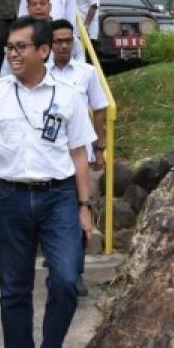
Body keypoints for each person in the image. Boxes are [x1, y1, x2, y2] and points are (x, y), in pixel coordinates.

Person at [0, 17, 95, 348]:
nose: (12, 53)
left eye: (20, 47)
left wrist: (84, 206)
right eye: (9, 47)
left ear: (43, 51)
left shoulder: (69, 94)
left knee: (66, 279)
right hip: (9, 196)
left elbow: (79, 155)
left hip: (58, 196)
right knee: (14, 287)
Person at [47, 19, 110, 297]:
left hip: (77, 154)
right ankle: (55, 267)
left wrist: (100, 147)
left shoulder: (86, 73)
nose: (63, 45)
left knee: (78, 210)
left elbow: (99, 109)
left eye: (67, 40)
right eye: (57, 41)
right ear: (49, 45)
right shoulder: (41, 73)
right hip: (47, 155)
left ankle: (77, 271)